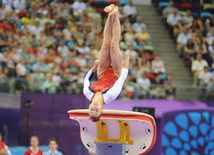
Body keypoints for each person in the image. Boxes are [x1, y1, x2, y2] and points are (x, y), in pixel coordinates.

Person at [83, 5, 130, 122]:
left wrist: (94, 68)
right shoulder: (110, 96)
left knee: (106, 43)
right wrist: (127, 60)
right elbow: (122, 79)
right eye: (96, 111)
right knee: (114, 44)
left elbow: (87, 79)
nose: (94, 108)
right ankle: (117, 14)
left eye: (91, 110)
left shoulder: (88, 93)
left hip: (102, 71)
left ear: (88, 107)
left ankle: (110, 15)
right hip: (116, 72)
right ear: (102, 109)